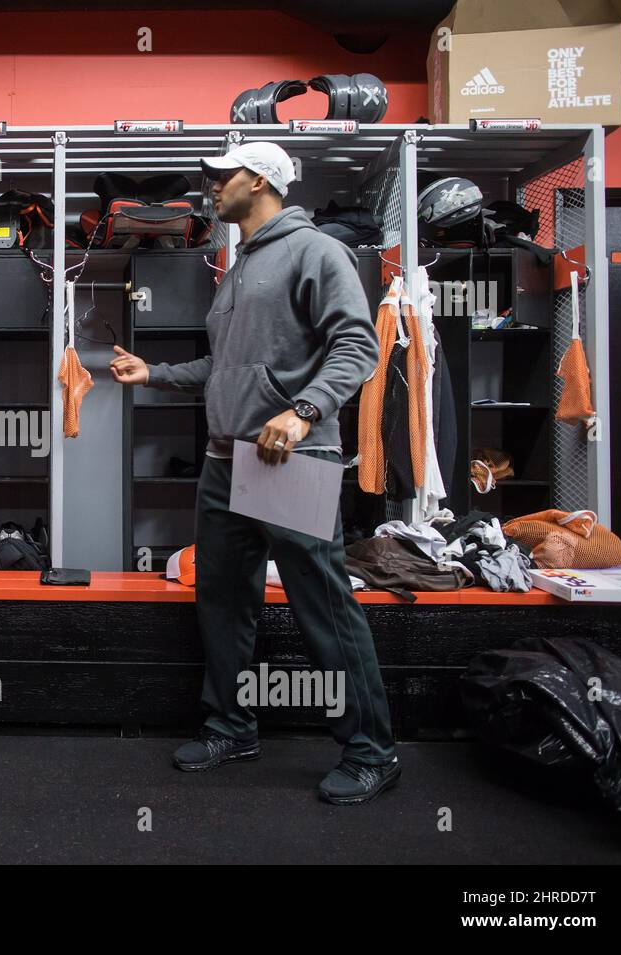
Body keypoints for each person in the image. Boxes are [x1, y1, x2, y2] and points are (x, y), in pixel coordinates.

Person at [110, 141, 399, 805]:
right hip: (223, 459)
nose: (213, 187)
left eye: (225, 176)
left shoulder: (316, 251)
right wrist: (151, 372)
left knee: (322, 606)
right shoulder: (237, 267)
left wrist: (304, 412)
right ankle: (231, 724)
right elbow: (226, 368)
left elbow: (358, 346)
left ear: (262, 180)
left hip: (289, 458)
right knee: (222, 601)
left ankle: (372, 748)